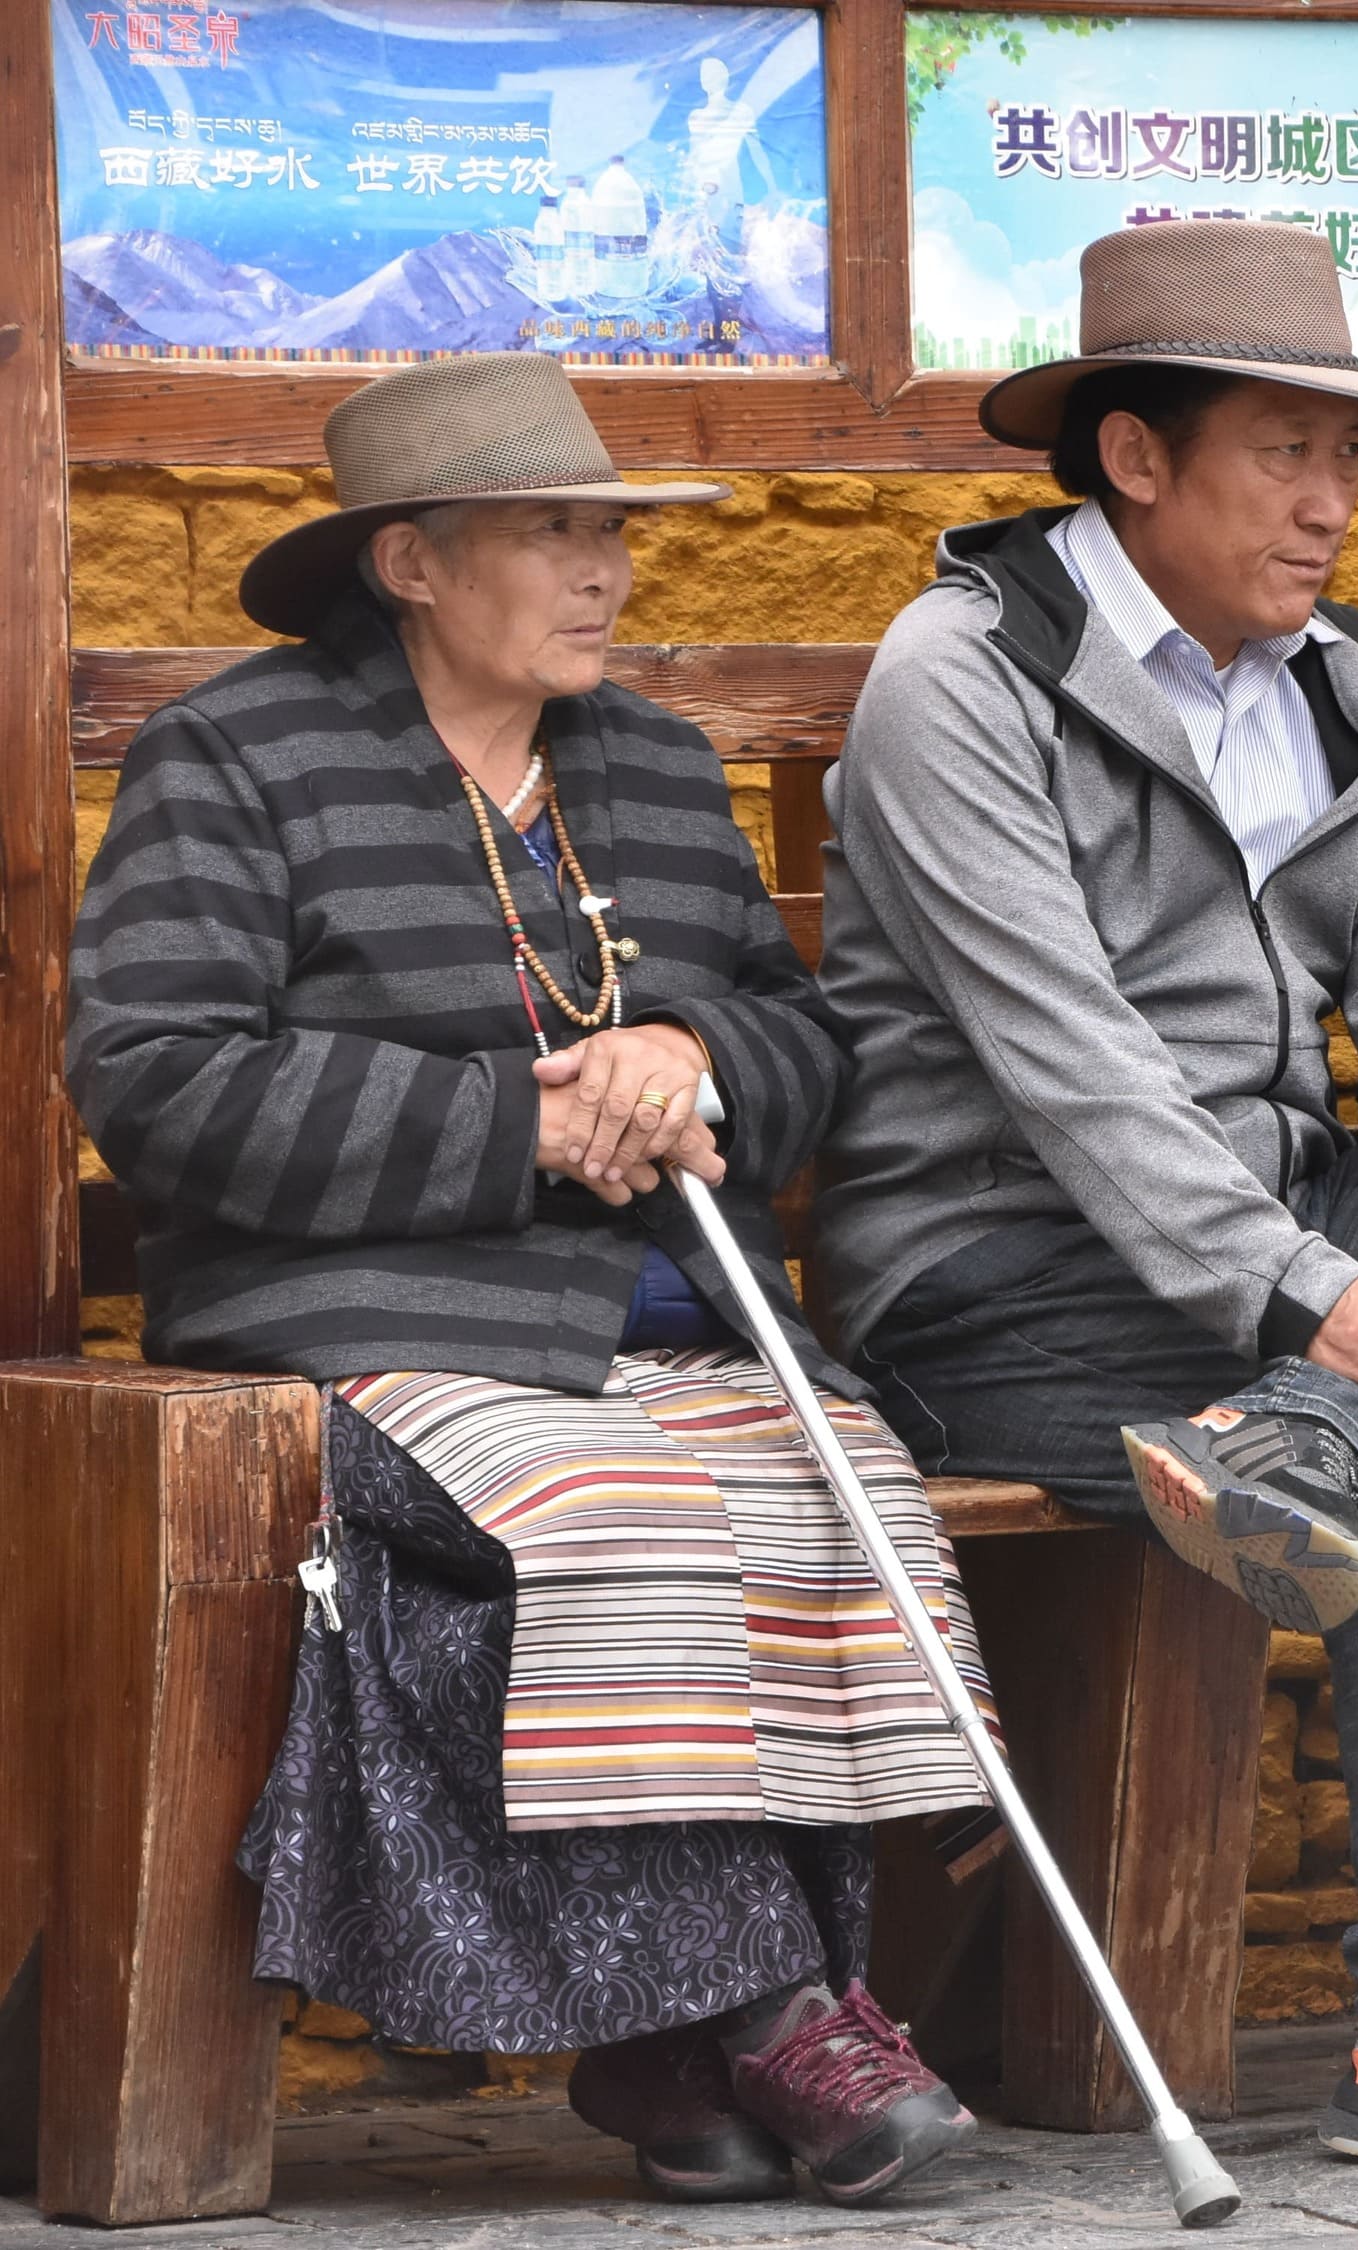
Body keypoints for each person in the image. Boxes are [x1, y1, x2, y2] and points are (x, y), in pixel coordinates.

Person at [809, 221, 1358, 2173]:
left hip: (1291, 1282)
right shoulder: (962, 677)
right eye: (1286, 452)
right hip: (1004, 1271)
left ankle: (1308, 1442)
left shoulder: (1348, 690)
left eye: (1348, 457)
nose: (1330, 504)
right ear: (1137, 457)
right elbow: (1068, 1065)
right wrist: (1304, 1301)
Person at [65, 353, 995, 2208]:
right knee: (614, 1515)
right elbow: (157, 1077)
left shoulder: (648, 760)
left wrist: (694, 1059)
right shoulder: (237, 760)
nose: (602, 571)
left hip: (667, 1321)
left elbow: (807, 1038)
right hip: (367, 1322)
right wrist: (527, 1119)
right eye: (552, 532)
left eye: (609, 534)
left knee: (845, 1495)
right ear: (409, 563)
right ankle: (786, 2013)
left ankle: (680, 2052)